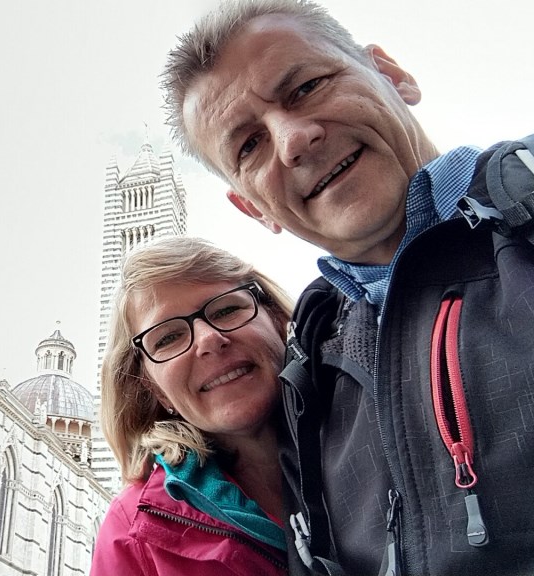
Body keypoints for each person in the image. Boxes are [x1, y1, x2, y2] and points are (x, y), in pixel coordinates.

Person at [162, 1, 534, 575]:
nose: (293, 140)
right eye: (249, 146)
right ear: (253, 207)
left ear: (392, 74)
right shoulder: (309, 363)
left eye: (306, 87)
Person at [91, 236, 294, 576]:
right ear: (155, 389)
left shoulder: (378, 417)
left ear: (276, 318)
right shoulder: (132, 533)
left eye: (226, 309)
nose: (208, 340)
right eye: (168, 337)